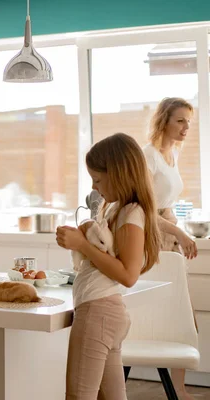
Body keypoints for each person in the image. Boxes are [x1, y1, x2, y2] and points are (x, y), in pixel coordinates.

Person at [56, 133, 161, 399]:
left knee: (79, 395)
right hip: (106, 315)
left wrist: (82, 244)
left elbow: (128, 275)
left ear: (120, 173)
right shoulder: (117, 208)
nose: (94, 187)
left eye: (98, 180)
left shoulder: (130, 212)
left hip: (98, 314)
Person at [144, 97, 198, 399]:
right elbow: (143, 209)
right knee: (155, 314)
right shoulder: (147, 155)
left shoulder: (172, 155)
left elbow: (167, 205)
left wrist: (179, 233)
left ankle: (179, 389)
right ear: (164, 120)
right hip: (152, 240)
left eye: (189, 121)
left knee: (180, 312)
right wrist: (179, 232)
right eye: (180, 120)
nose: (186, 127)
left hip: (170, 237)